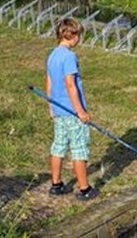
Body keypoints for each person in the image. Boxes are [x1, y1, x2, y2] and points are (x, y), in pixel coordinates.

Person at [46, 18, 98, 200]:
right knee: (79, 149)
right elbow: (70, 85)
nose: (80, 39)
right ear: (72, 35)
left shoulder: (52, 55)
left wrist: (51, 105)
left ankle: (56, 184)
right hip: (72, 111)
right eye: (79, 35)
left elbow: (50, 81)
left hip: (59, 110)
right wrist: (80, 111)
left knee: (58, 146)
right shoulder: (69, 57)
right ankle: (84, 189)